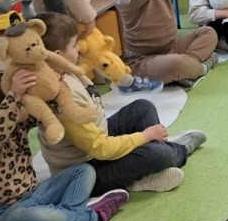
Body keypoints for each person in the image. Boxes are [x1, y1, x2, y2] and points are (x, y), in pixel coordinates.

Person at [38, 12, 205, 195]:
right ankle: (175, 151)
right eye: (73, 45)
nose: (79, 48)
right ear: (57, 55)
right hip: (85, 172)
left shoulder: (62, 69)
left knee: (142, 108)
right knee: (159, 154)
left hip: (96, 140)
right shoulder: (62, 99)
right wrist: (145, 136)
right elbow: (100, 148)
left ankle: (151, 163)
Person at [0, 69, 127, 221]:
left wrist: (50, 84)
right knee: (37, 217)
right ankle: (93, 216)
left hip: (32, 196)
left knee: (84, 170)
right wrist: (14, 95)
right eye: (15, 102)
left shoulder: (17, 123)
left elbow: (47, 112)